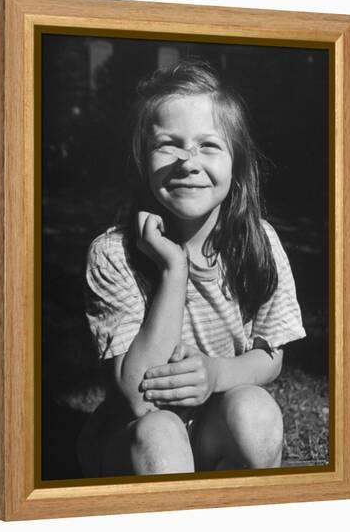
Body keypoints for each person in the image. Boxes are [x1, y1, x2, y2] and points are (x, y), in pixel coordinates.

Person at [77, 58, 306, 478]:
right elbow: (138, 398)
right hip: (139, 439)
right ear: (141, 159)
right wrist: (173, 270)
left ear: (235, 162)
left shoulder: (258, 242)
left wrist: (217, 372)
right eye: (169, 144)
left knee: (255, 410)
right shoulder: (113, 253)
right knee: (161, 431)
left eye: (209, 145)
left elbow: (270, 355)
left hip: (215, 424)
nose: (188, 161)